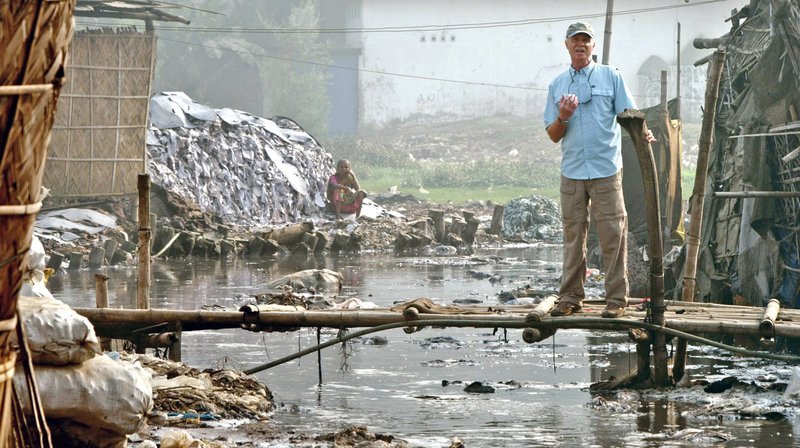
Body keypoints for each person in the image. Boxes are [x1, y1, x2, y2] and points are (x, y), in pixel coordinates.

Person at [543, 21, 655, 319]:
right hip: (572, 172)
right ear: (566, 45)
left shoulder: (611, 77)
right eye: (574, 40)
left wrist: (645, 134)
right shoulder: (557, 85)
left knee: (612, 235)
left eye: (586, 40)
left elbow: (630, 115)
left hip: (606, 169)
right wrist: (564, 117)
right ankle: (570, 298)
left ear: (593, 46)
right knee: (573, 237)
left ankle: (616, 300)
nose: (580, 44)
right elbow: (553, 134)